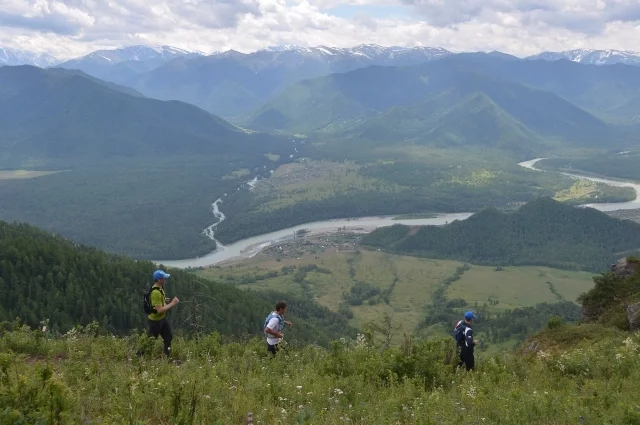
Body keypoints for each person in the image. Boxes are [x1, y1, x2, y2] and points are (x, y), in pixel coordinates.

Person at [147, 269, 179, 357]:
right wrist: (173, 303)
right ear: (159, 280)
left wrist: (164, 300)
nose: (165, 280)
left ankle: (167, 358)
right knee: (149, 342)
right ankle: (139, 357)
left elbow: (156, 303)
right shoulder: (156, 292)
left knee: (168, 337)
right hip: (155, 322)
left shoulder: (160, 288)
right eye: (164, 278)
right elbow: (159, 310)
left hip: (162, 319)